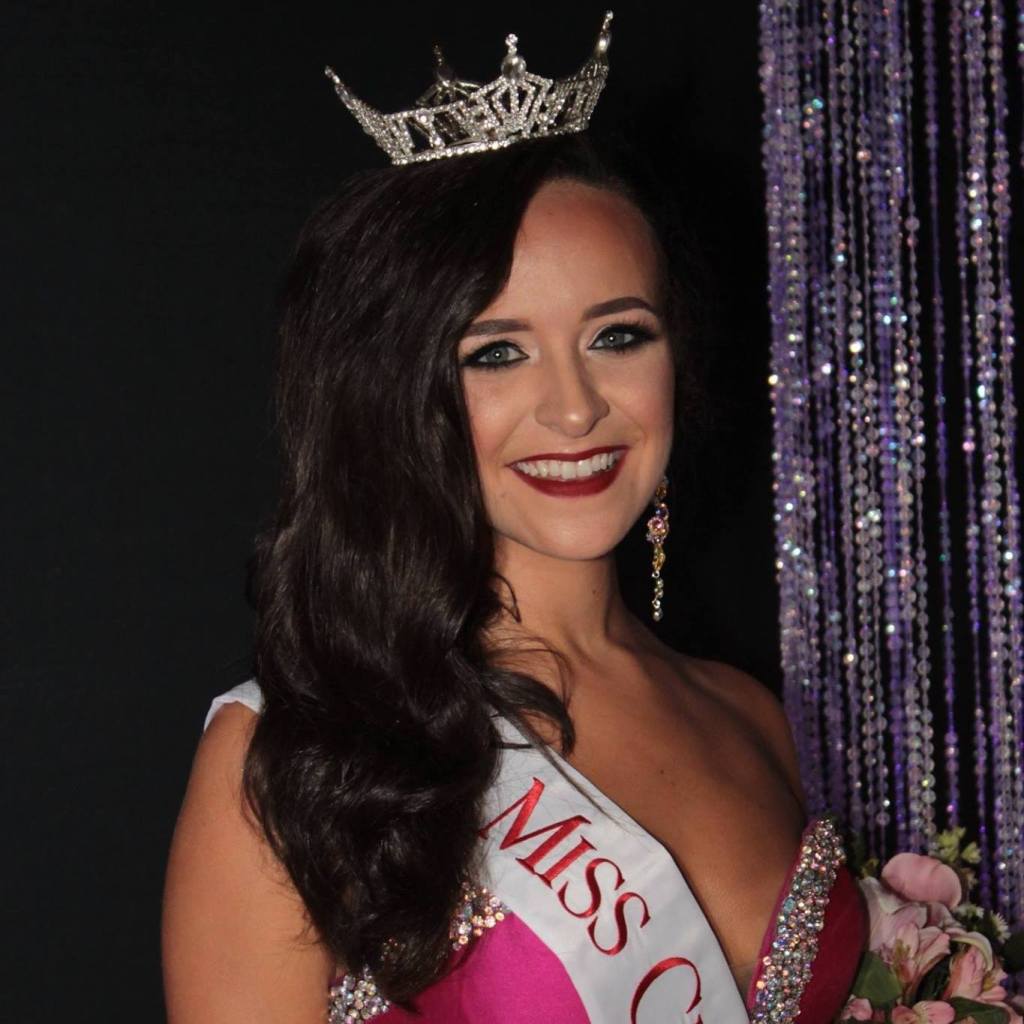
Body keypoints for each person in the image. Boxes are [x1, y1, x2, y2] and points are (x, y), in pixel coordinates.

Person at [161, 19, 868, 1024]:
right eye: (497, 352)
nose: (575, 410)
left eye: (618, 336)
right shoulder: (297, 760)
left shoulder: (752, 717)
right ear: (399, 392)